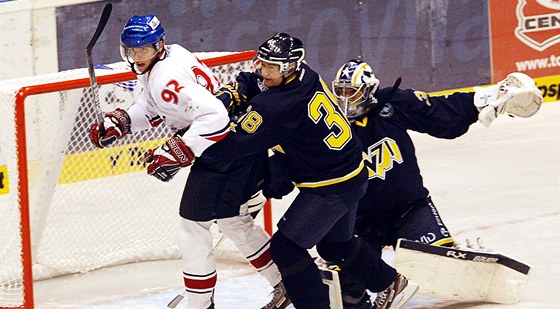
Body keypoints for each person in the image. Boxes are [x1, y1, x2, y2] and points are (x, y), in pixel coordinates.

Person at [203, 33, 418, 309]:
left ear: (291, 67)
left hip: (331, 184)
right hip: (351, 171)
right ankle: (391, 283)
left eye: (272, 68)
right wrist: (236, 91)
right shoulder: (306, 76)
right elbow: (252, 81)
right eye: (264, 64)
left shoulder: (280, 104)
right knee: (335, 245)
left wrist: (197, 144)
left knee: (286, 248)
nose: (265, 72)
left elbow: (236, 145)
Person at [88, 15, 289, 309]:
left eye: (143, 50)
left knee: (192, 226)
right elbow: (158, 105)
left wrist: (180, 148)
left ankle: (199, 303)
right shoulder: (173, 55)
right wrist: (124, 121)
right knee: (234, 221)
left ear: (158, 46)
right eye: (132, 51)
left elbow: (215, 116)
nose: (137, 57)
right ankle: (286, 281)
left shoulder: (163, 76)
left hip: (222, 146)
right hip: (239, 142)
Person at [327, 59, 542, 308]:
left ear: (369, 90)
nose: (345, 99)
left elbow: (437, 111)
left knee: (444, 266)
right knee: (343, 290)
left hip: (408, 210)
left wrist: (487, 98)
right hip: (359, 220)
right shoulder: (329, 122)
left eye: (351, 91)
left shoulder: (393, 104)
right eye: (340, 91)